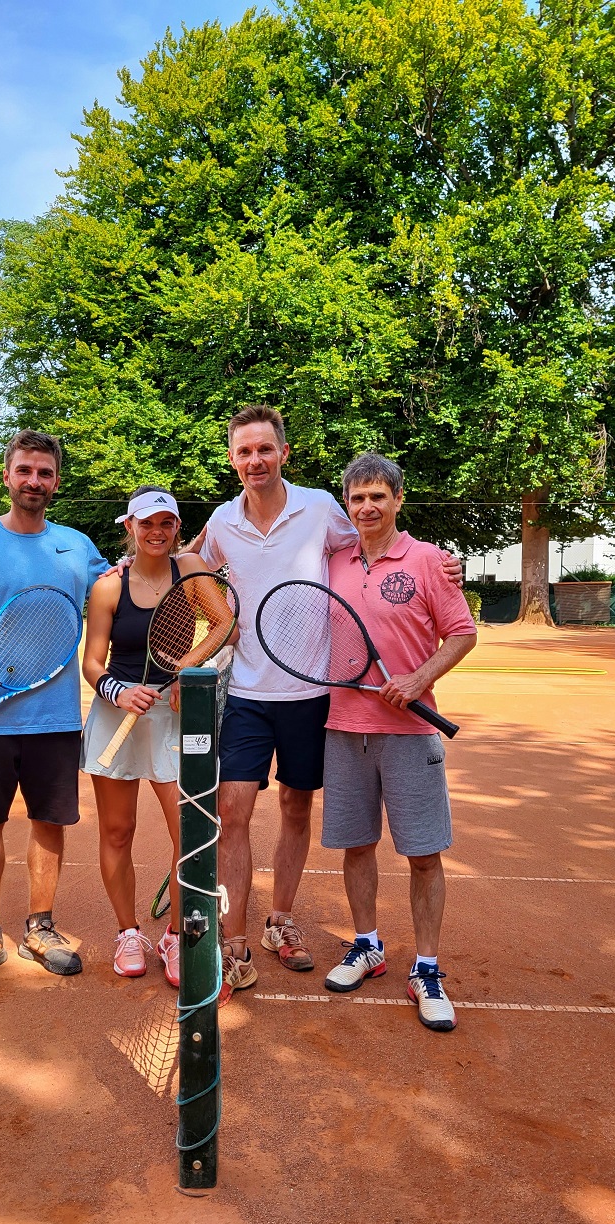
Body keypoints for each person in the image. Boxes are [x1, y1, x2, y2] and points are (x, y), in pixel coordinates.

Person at [195, 406, 463, 1003]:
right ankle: (232, 935)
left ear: (283, 453)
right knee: (232, 811)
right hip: (246, 692)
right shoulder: (220, 519)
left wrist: (444, 563)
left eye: (264, 449)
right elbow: (189, 561)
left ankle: (280, 922)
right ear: (233, 459)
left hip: (313, 694)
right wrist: (139, 558)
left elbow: (375, 544)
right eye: (243, 452)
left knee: (296, 808)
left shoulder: (321, 509)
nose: (254, 461)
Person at [0, 429, 108, 990]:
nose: (35, 481)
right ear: (7, 476)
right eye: (25, 470)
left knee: (49, 824)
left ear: (56, 481)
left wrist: (187, 547)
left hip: (56, 719)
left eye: (45, 472)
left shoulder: (79, 547)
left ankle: (40, 927)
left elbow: (128, 584)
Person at [320, 452, 477, 1032]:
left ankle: (427, 969)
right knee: (356, 846)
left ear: (398, 500)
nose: (366, 507)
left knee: (423, 854)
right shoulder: (331, 560)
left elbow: (463, 633)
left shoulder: (432, 561)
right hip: (343, 729)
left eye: (377, 497)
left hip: (411, 731)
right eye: (357, 498)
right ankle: (367, 945)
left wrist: (418, 680)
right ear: (348, 504)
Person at [81, 486, 236, 986]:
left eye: (166, 523)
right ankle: (128, 932)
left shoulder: (190, 570)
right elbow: (92, 662)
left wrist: (188, 668)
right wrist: (119, 691)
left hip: (173, 711)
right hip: (117, 712)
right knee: (117, 831)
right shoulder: (107, 588)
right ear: (130, 526)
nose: (157, 532)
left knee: (186, 831)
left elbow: (224, 623)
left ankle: (173, 937)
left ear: (176, 528)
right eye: (147, 524)